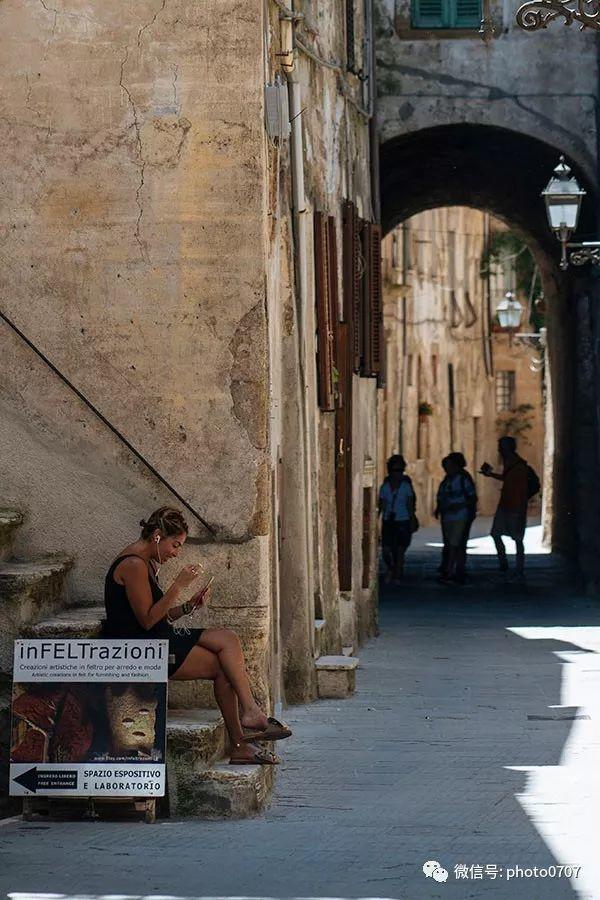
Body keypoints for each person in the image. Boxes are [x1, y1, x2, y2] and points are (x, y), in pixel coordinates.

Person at [103, 506, 291, 765]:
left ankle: (247, 722)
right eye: (175, 545)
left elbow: (156, 616)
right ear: (157, 536)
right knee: (224, 661)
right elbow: (147, 621)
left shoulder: (145, 563)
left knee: (227, 641)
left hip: (156, 637)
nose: (176, 553)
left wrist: (187, 606)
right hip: (140, 649)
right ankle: (246, 729)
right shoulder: (133, 564)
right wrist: (178, 585)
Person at [480, 436, 529, 581]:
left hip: (515, 507)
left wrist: (521, 510)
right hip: (505, 505)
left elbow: (521, 488)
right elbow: (507, 479)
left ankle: (519, 568)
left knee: (518, 538)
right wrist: (491, 475)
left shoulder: (519, 465)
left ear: (507, 448)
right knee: (496, 534)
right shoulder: (510, 463)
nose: (499, 449)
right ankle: (504, 564)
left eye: (501, 446)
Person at [435, 452, 477, 584]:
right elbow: (441, 496)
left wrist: (460, 507)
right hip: (448, 516)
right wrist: (439, 509)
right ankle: (454, 568)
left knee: (455, 543)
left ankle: (451, 570)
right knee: (450, 543)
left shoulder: (464, 479)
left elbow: (472, 497)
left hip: (461, 515)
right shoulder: (447, 480)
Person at [378, 455, 416, 584]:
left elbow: (410, 505)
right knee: (386, 550)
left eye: (400, 470)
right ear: (390, 471)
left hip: (403, 520)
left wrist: (412, 521)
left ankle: (397, 574)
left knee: (400, 550)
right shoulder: (385, 487)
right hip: (388, 521)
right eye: (395, 470)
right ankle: (391, 568)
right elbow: (381, 505)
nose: (397, 473)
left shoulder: (406, 486)